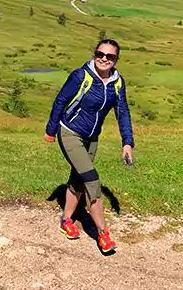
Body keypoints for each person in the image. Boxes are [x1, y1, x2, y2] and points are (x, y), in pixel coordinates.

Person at [45, 39, 134, 253]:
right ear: (94, 54)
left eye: (110, 56)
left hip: (92, 137)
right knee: (92, 181)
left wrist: (127, 142)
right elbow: (60, 101)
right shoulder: (81, 76)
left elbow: (122, 113)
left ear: (116, 60)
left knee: (78, 179)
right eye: (99, 54)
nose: (104, 58)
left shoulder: (117, 83)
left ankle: (66, 219)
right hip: (70, 132)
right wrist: (50, 130)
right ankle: (103, 234)